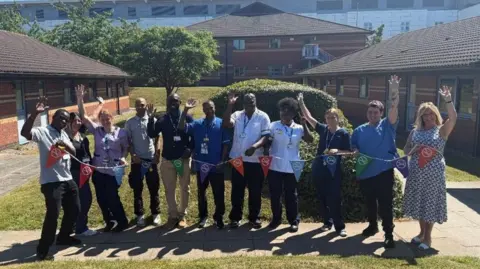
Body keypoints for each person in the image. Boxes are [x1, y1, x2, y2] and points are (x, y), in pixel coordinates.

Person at [20, 97, 80, 261]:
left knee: (75, 209)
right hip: (51, 182)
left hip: (67, 179)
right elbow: (25, 133)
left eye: (66, 120)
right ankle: (42, 251)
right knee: (53, 215)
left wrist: (65, 145)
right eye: (61, 118)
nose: (63, 121)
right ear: (53, 118)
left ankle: (64, 237)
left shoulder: (64, 134)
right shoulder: (43, 131)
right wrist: (33, 115)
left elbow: (74, 153)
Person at [403, 86, 456, 250]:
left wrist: (448, 100)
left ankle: (428, 238)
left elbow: (453, 118)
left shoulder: (441, 131)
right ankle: (421, 233)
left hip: (434, 174)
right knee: (419, 203)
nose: (428, 117)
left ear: (436, 114)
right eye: (424, 114)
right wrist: (413, 150)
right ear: (421, 116)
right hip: (417, 172)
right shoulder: (415, 132)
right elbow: (405, 150)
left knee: (430, 204)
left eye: (431, 113)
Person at [351, 75, 401, 248]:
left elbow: (394, 109)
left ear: (381, 113)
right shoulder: (359, 130)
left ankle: (388, 234)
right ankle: (373, 226)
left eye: (376, 112)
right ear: (367, 113)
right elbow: (354, 147)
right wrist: (356, 152)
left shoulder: (388, 125)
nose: (372, 114)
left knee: (386, 204)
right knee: (370, 202)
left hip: (385, 171)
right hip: (366, 171)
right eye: (370, 112)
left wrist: (395, 92)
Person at [76, 85, 129, 233]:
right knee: (101, 198)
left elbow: (126, 148)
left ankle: (122, 222)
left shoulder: (121, 133)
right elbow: (84, 118)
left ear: (112, 118)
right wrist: (80, 99)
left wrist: (124, 158)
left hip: (113, 170)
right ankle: (109, 221)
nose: (105, 121)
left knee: (112, 197)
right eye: (103, 119)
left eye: (108, 118)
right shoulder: (97, 130)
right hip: (99, 170)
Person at [298, 94, 351, 237]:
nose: (330, 120)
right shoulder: (323, 129)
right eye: (327, 118)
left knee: (334, 197)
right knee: (321, 197)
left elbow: (349, 152)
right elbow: (309, 118)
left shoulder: (343, 133)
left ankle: (340, 227)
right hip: (319, 168)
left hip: (334, 171)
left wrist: (337, 151)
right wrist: (302, 103)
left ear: (337, 119)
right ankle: (327, 222)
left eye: (332, 117)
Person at [178, 99, 230, 229]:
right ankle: (203, 217)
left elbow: (225, 144)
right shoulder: (197, 124)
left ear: (214, 108)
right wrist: (185, 110)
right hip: (201, 166)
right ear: (203, 110)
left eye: (210, 107)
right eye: (206, 108)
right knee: (201, 193)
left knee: (218, 193)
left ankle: (219, 218)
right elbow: (181, 127)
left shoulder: (221, 123)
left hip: (216, 166)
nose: (208, 110)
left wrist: (222, 161)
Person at [222, 93, 271, 229]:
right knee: (237, 190)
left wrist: (255, 146)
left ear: (256, 102)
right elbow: (226, 123)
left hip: (255, 160)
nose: (250, 104)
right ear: (243, 103)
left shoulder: (263, 116)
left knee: (255, 191)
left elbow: (266, 136)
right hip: (237, 158)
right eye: (247, 102)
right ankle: (235, 218)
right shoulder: (237, 114)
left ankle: (254, 218)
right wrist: (230, 105)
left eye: (252, 102)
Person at [147, 94, 194, 230]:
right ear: (167, 103)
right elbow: (152, 134)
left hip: (183, 159)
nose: (173, 103)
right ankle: (173, 216)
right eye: (170, 101)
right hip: (168, 160)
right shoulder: (163, 119)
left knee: (185, 188)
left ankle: (182, 215)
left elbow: (194, 136)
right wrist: (150, 119)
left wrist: (190, 149)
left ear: (180, 102)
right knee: (169, 190)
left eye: (175, 101)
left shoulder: (188, 117)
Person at [267, 97, 313, 232]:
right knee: (275, 194)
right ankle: (276, 219)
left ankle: (293, 220)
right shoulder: (273, 125)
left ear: (293, 114)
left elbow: (310, 140)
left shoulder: (299, 128)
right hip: (275, 166)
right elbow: (266, 140)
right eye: (282, 112)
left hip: (293, 166)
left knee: (291, 195)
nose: (284, 115)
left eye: (287, 113)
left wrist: (304, 124)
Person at [125, 98, 161, 227]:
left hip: (151, 160)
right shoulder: (129, 123)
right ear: (135, 107)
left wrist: (157, 154)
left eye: (142, 105)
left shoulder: (153, 120)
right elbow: (128, 141)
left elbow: (157, 138)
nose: (140, 107)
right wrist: (133, 155)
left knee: (154, 188)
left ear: (146, 106)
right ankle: (140, 215)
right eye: (137, 105)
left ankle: (156, 213)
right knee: (137, 189)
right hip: (137, 161)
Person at [66, 112, 97, 237]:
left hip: (84, 172)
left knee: (86, 199)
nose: (77, 123)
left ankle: (78, 225)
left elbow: (86, 154)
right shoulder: (65, 138)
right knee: (79, 201)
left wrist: (91, 164)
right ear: (69, 122)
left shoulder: (83, 137)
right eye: (74, 121)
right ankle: (80, 227)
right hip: (72, 173)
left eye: (79, 121)